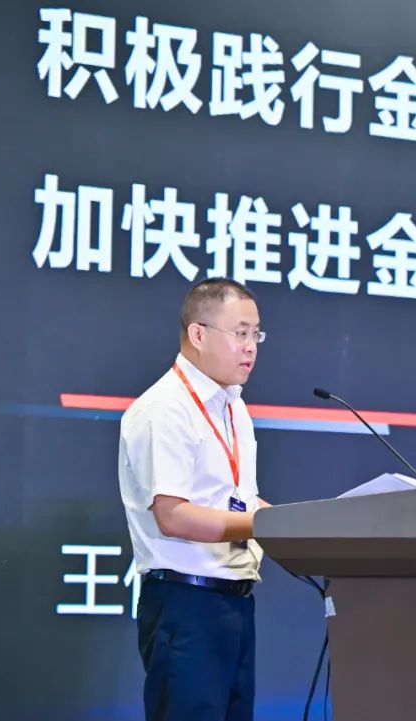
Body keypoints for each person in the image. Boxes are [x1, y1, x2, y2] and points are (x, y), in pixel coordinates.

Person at [118, 277, 271, 721]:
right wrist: (266, 525)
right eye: (239, 333)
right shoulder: (165, 408)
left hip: (235, 603)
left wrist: (302, 523)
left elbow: (239, 500)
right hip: (186, 605)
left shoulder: (234, 406)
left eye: (256, 334)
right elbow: (173, 515)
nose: (250, 347)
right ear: (198, 334)